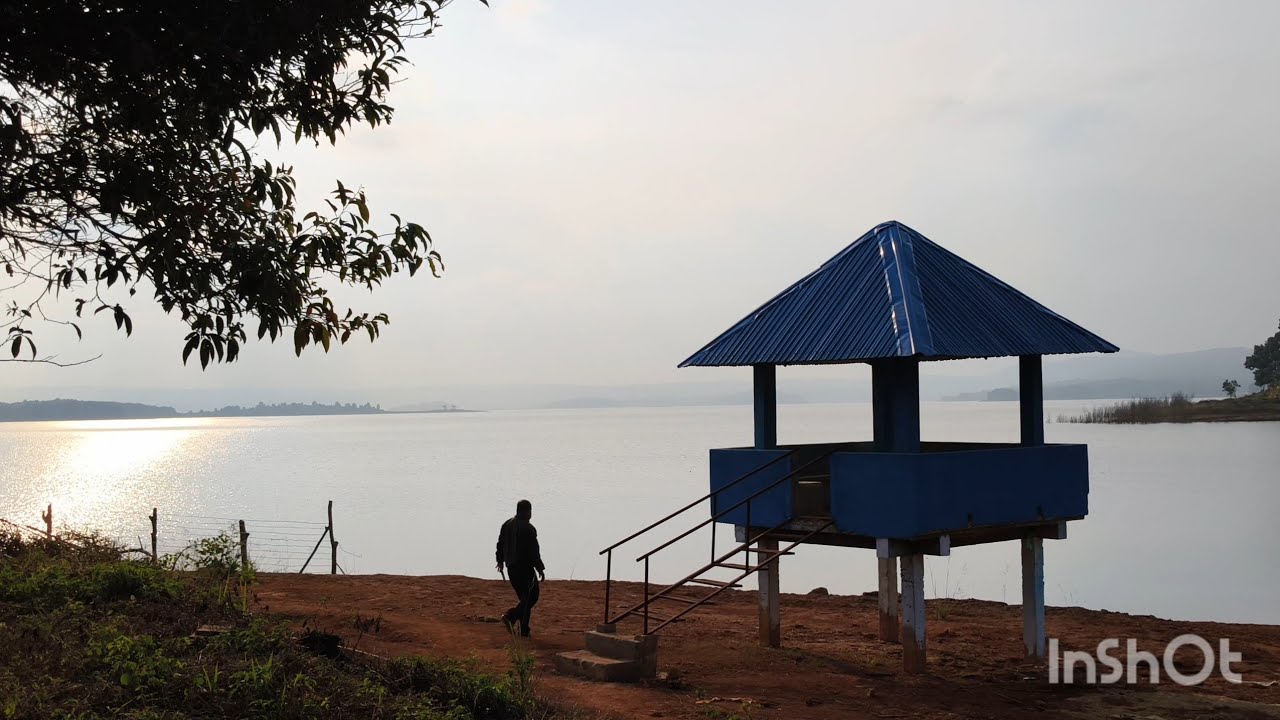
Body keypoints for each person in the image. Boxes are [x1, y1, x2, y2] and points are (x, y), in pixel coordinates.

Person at [495, 499, 545, 638]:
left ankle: (524, 629)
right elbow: (533, 551)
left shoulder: (506, 524)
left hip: (512, 568)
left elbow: (500, 544)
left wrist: (500, 561)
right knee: (532, 597)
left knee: (525, 599)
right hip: (525, 568)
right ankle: (511, 616)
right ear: (527, 511)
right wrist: (540, 568)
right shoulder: (528, 528)